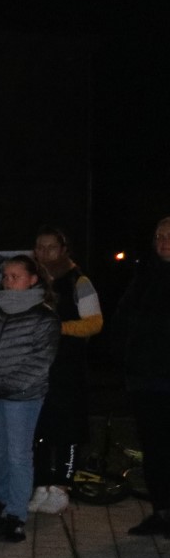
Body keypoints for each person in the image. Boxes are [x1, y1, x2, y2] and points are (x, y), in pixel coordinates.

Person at [0, 254, 60, 543]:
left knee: (18, 453)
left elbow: (39, 362)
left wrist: (5, 387)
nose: (8, 282)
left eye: (15, 276)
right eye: (5, 276)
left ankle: (16, 515)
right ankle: (1, 501)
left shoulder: (43, 316)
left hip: (23, 396)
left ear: (33, 279)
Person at [30, 226, 103, 514]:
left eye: (50, 247)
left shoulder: (78, 281)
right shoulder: (31, 280)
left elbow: (95, 323)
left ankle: (62, 486)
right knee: (38, 428)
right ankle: (41, 484)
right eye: (39, 247)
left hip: (67, 368)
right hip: (37, 367)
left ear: (63, 250)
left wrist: (60, 328)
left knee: (67, 428)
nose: (44, 253)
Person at [114, 217, 170, 536]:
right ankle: (161, 511)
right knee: (155, 448)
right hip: (145, 379)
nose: (162, 241)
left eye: (169, 236)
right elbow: (125, 317)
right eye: (158, 235)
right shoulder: (145, 274)